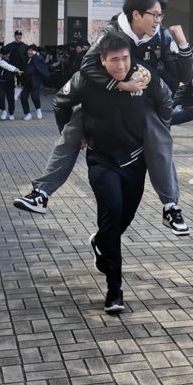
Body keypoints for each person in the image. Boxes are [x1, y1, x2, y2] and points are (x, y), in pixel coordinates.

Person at [14, 0, 193, 237]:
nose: (158, 21)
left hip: (143, 99)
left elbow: (184, 75)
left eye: (160, 15)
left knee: (160, 140)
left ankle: (171, 206)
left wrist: (182, 44)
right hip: (105, 94)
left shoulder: (161, 36)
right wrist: (121, 84)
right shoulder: (110, 32)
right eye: (154, 15)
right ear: (136, 14)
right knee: (73, 130)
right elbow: (87, 65)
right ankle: (41, 194)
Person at [51, 35, 171, 314]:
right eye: (114, 60)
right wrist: (72, 133)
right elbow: (60, 102)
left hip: (134, 162)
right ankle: (114, 289)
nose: (121, 65)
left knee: (121, 220)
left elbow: (166, 100)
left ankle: (101, 241)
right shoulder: (89, 81)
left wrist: (159, 131)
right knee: (111, 211)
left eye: (125, 58)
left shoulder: (143, 78)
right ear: (102, 60)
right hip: (101, 160)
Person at [21, 45, 49, 119]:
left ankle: (38, 109)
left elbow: (41, 58)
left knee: (35, 97)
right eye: (28, 50)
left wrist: (36, 53)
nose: (29, 52)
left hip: (35, 82)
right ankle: (27, 113)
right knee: (23, 97)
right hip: (27, 82)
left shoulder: (37, 58)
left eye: (31, 50)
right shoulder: (25, 59)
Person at [0, 46, 19, 120]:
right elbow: (7, 66)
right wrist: (15, 69)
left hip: (10, 81)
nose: (6, 56)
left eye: (7, 54)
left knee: (10, 98)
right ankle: (3, 111)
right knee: (0, 97)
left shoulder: (13, 59)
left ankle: (11, 113)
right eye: (4, 54)